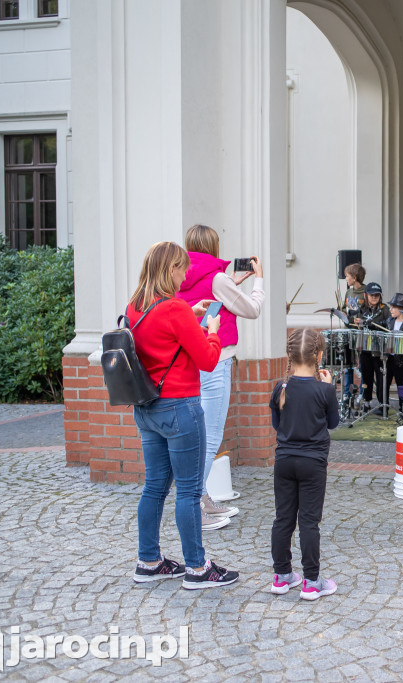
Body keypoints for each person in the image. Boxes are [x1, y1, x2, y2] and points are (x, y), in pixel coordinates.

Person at [128, 241, 239, 590]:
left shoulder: (136, 306)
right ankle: (197, 568)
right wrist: (211, 331)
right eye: (181, 268)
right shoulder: (174, 309)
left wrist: (191, 312)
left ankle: (149, 561)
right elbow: (207, 359)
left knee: (154, 487)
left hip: (147, 409)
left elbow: (159, 333)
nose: (185, 273)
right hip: (180, 408)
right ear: (169, 270)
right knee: (189, 492)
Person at [177, 224, 265, 530]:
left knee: (195, 435)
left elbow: (213, 295)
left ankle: (201, 498)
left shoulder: (177, 274)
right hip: (215, 361)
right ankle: (194, 507)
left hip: (190, 362)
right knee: (211, 436)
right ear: (214, 247)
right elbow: (252, 309)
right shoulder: (216, 278)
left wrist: (232, 282)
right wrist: (259, 281)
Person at [268, 328, 340, 600]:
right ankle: (311, 581)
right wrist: (328, 386)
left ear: (289, 355)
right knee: (309, 522)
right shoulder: (324, 390)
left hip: (284, 462)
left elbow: (277, 425)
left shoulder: (280, 388)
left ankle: (281, 575)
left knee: (283, 519)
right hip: (313, 464)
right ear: (319, 356)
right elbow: (333, 424)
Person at [356, 282, 390, 411]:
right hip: (365, 348)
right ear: (366, 295)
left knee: (381, 378)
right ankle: (366, 402)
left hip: (380, 350)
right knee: (366, 376)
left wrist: (371, 324)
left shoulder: (385, 309)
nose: (374, 297)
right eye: (372, 295)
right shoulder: (362, 309)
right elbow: (357, 326)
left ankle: (383, 404)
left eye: (377, 295)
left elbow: (388, 326)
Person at [341, 263, 367, 398]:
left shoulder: (366, 292)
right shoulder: (348, 292)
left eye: (347, 276)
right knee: (348, 364)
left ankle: (363, 393)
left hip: (361, 333)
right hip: (348, 331)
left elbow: (370, 312)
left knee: (362, 364)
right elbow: (344, 307)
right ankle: (347, 394)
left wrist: (362, 321)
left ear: (355, 277)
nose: (346, 279)